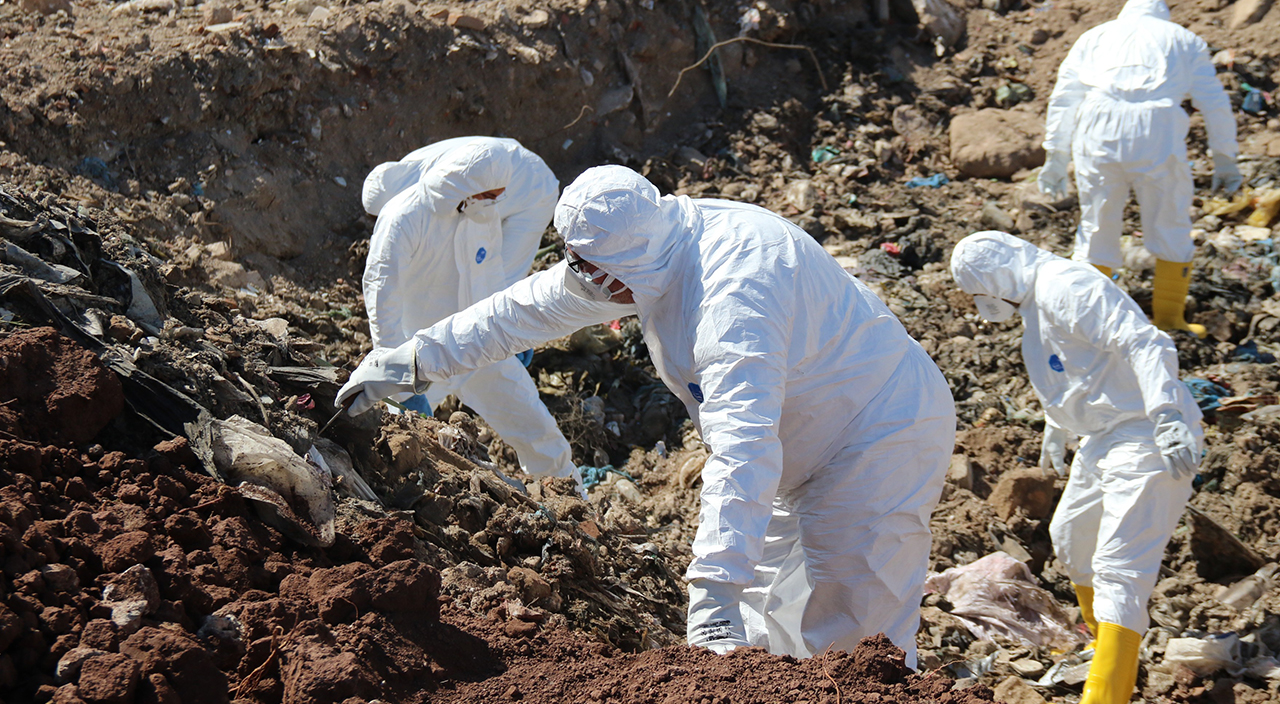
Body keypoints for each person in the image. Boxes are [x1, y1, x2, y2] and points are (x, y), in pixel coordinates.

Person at [337, 165, 956, 664]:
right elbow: (520, 311)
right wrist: (408, 360)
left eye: (608, 282)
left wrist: (711, 595)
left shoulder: (734, 292)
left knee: (855, 631)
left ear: (635, 264)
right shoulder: (645, 246)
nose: (601, 297)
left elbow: (742, 446)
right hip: (800, 450)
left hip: (879, 433)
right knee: (770, 629)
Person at [950, 231, 1202, 704]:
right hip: (1104, 437)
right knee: (1071, 539)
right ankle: (1103, 643)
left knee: (1119, 567)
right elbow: (1075, 369)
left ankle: (1106, 693)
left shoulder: (1067, 287)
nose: (986, 304)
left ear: (997, 278)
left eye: (982, 292)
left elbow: (1145, 343)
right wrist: (1058, 424)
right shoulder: (1037, 304)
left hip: (1145, 432)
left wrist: (1167, 415)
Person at [359, 136, 583, 489]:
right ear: (463, 187)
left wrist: (513, 328)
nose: (498, 202)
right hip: (422, 356)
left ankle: (572, 499)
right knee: (401, 443)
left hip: (476, 344)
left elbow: (491, 273)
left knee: (536, 427)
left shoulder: (481, 214)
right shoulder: (403, 219)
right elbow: (381, 299)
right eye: (491, 194)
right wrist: (399, 377)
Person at [1038, 0, 1241, 338]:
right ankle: (1169, 320)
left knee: (1096, 224)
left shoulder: (1095, 36)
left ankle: (1092, 323)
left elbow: (1065, 97)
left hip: (1098, 128)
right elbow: (1213, 100)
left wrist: (1055, 154)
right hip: (1156, 130)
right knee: (1170, 220)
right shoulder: (1183, 39)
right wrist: (1225, 156)